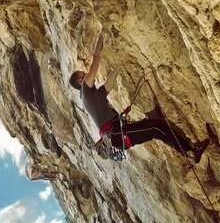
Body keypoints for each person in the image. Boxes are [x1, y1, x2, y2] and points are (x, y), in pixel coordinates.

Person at [69, 29, 210, 162]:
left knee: (155, 123)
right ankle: (190, 153)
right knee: (156, 128)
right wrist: (102, 32)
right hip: (116, 135)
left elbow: (110, 82)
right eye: (84, 75)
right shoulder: (85, 92)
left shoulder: (95, 95)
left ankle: (189, 148)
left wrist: (119, 64)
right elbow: (96, 57)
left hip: (117, 134)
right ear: (80, 81)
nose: (87, 74)